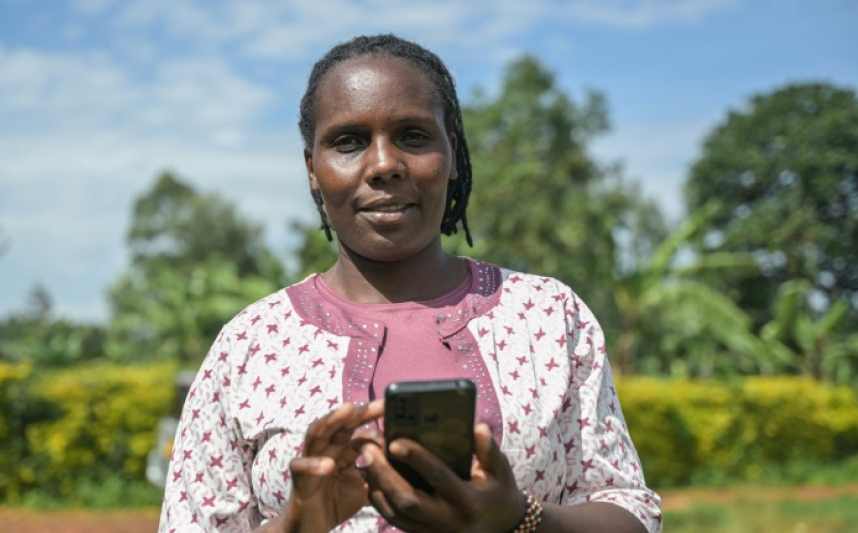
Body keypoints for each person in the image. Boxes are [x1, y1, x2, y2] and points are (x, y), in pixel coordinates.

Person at [158, 34, 661, 533]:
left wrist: (518, 517)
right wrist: (295, 523)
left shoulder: (549, 316)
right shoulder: (249, 344)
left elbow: (631, 512)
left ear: (452, 154)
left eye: (413, 136)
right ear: (313, 169)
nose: (383, 165)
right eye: (348, 142)